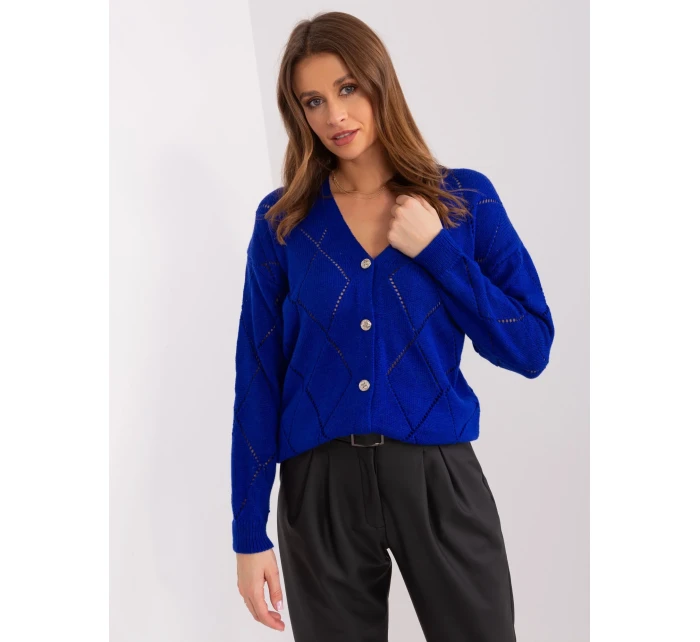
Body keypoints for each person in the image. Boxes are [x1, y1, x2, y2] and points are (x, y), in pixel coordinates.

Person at [230, 11, 555, 642]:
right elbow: (257, 378)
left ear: (380, 82)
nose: (335, 115)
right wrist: (249, 534)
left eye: (348, 88)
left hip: (438, 480)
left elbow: (531, 346)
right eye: (313, 101)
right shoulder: (283, 222)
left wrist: (437, 251)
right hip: (318, 493)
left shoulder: (463, 201)